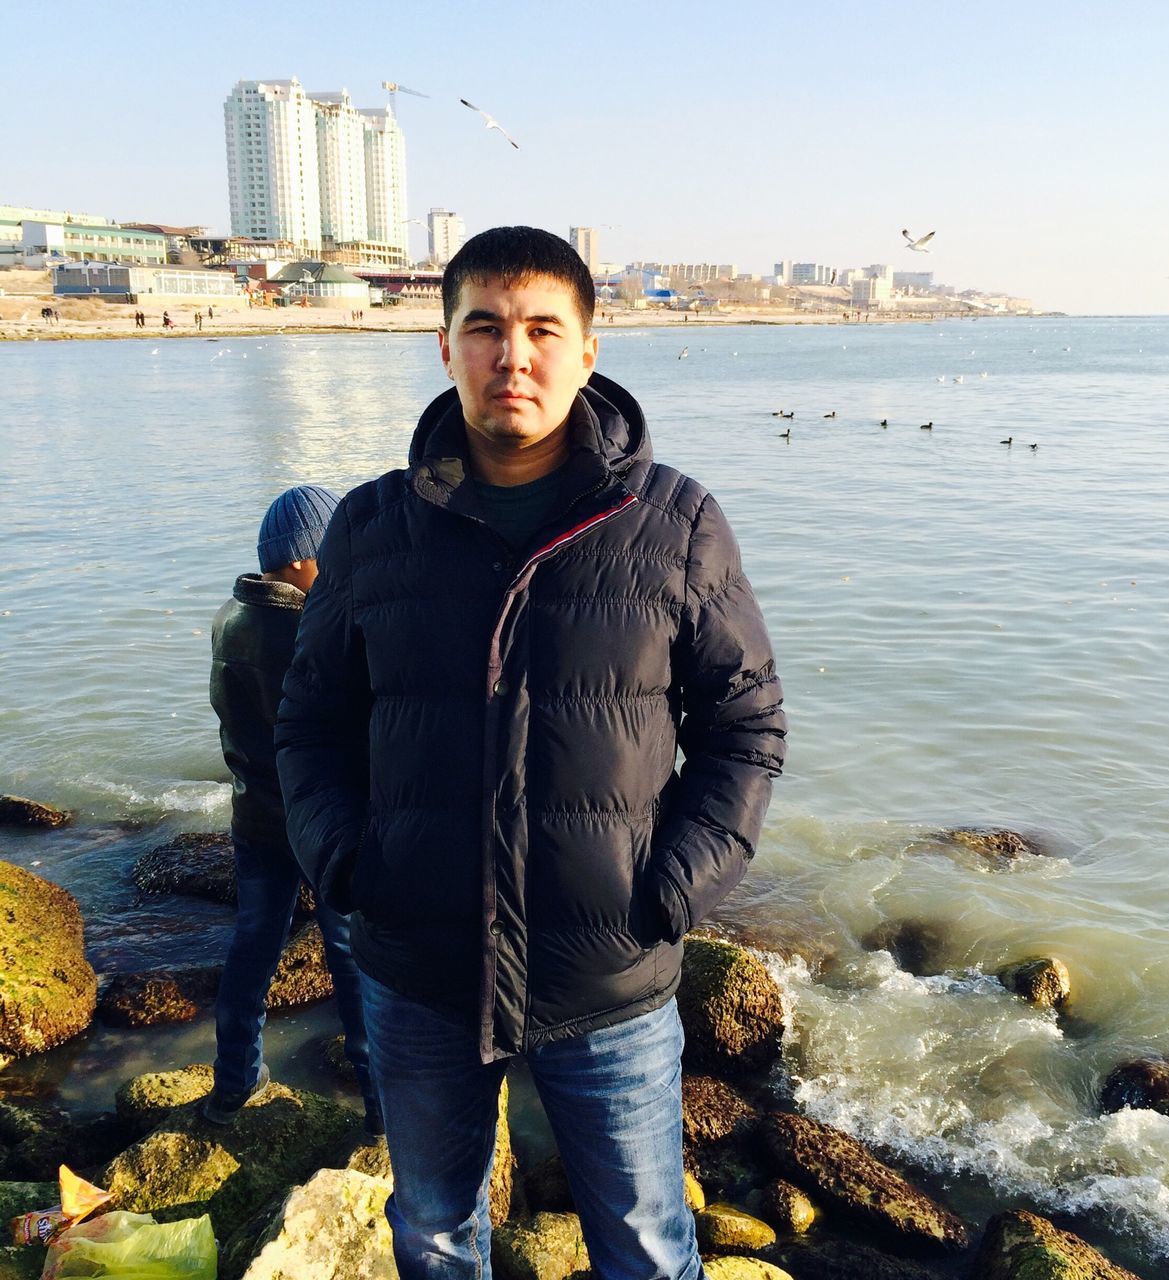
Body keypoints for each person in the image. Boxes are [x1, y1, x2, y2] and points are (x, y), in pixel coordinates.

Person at [276, 226, 785, 1280]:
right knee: (432, 1229)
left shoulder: (674, 522)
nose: (515, 356)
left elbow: (744, 726)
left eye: (543, 329)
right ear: (446, 347)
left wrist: (670, 890)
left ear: (588, 350)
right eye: (486, 328)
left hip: (608, 975)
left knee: (645, 1246)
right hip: (417, 969)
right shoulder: (372, 527)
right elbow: (308, 720)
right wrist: (347, 863)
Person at [204, 485, 382, 1136]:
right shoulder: (308, 627)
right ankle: (381, 1106)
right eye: (334, 552)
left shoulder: (231, 616)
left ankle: (233, 1084)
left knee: (252, 947)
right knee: (353, 958)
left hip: (255, 818)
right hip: (321, 823)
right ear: (304, 558)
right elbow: (347, 730)